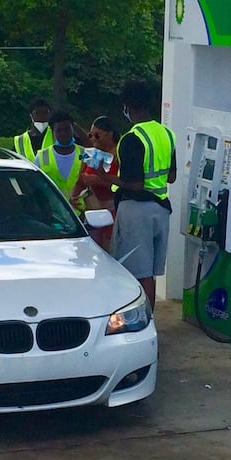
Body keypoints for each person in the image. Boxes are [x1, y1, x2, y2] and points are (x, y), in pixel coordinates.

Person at [97, 80, 176, 311]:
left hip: (136, 211)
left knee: (137, 274)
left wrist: (104, 176)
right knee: (150, 272)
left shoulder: (131, 138)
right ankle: (149, 321)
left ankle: (143, 323)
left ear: (127, 107)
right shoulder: (167, 134)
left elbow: (135, 184)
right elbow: (171, 176)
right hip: (161, 209)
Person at [70, 115, 120, 252]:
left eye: (97, 135)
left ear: (109, 134)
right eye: (90, 135)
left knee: (109, 250)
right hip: (92, 210)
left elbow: (123, 184)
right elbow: (80, 180)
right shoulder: (89, 153)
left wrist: (98, 180)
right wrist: (74, 196)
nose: (93, 139)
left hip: (112, 211)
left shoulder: (118, 154)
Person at [34, 110, 86, 214]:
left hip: (81, 214)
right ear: (53, 132)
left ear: (73, 129)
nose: (64, 133)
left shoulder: (85, 154)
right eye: (59, 130)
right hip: (53, 215)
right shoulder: (42, 156)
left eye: (67, 129)